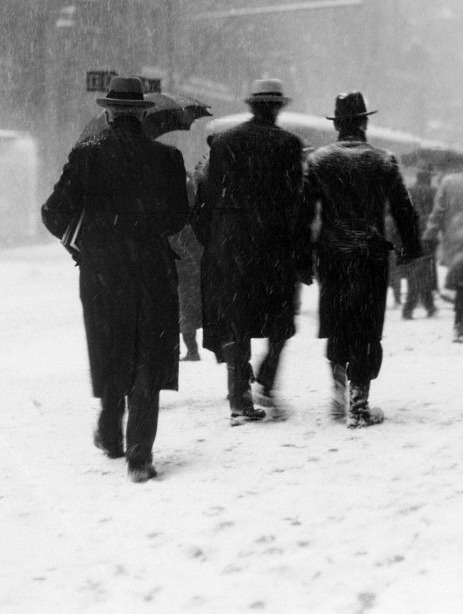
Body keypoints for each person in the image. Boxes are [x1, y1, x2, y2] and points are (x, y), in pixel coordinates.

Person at [41, 76, 189, 482]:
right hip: (152, 267)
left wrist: (82, 239)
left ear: (108, 113)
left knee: (111, 345)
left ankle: (110, 430)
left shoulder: (87, 155)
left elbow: (53, 212)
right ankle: (140, 454)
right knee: (148, 353)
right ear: (143, 114)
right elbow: (178, 218)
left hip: (103, 269)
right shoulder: (167, 158)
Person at [192, 78, 310, 425]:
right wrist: (302, 253)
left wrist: (212, 242)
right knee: (281, 320)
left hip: (231, 245)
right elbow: (297, 204)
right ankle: (267, 379)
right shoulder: (290, 145)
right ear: (277, 108)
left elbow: (206, 201)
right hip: (274, 244)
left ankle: (239, 396)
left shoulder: (225, 143)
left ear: (252, 106)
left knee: (236, 320)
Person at [304, 91, 421, 428]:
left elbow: (303, 211)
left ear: (338, 124)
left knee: (337, 323)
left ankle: (338, 387)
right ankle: (360, 401)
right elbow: (403, 208)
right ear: (365, 122)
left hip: (333, 255)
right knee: (366, 329)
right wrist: (411, 248)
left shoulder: (319, 161)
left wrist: (302, 255)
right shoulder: (383, 161)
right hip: (369, 256)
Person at [422, 151, 463, 342]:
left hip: (453, 239)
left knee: (459, 283)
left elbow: (438, 211)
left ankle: (461, 320)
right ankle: (462, 320)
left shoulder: (448, 182)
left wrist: (430, 234)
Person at [172, 171, 204, 361]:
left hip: (182, 263)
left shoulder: (177, 217)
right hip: (191, 260)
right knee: (188, 306)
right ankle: (191, 349)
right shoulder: (194, 213)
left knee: (184, 307)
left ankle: (191, 350)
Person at [402, 166, 438, 320]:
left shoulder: (408, 190)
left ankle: (414, 305)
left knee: (414, 270)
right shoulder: (433, 191)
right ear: (428, 177)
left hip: (411, 234)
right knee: (427, 269)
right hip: (428, 234)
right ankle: (425, 304)